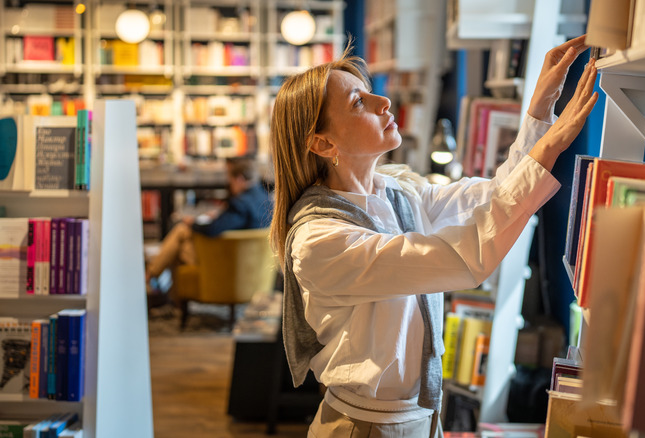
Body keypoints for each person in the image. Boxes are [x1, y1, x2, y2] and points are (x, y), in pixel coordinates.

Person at [270, 35, 597, 437]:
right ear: (323, 143)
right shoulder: (319, 240)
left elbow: (493, 197)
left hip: (422, 420)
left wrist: (540, 110)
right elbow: (463, 257)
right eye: (359, 102)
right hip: (366, 427)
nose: (383, 103)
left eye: (371, 93)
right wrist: (549, 148)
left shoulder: (399, 192)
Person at [145, 156, 274, 286]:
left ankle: (150, 277)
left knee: (180, 236)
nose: (229, 185)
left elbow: (212, 229)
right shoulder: (265, 197)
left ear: (239, 179)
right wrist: (221, 213)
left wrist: (192, 223)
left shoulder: (240, 204)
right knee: (179, 243)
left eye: (230, 181)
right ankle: (155, 280)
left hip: (229, 263)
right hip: (255, 265)